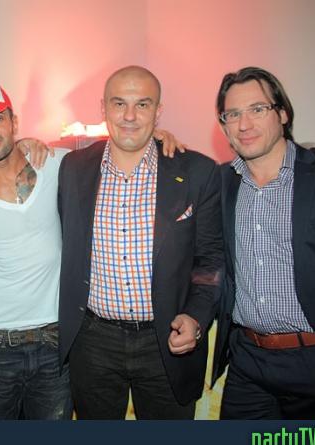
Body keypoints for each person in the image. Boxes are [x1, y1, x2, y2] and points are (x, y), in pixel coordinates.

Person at [57, 66, 223, 419]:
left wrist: (196, 316)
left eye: (142, 105)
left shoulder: (197, 171)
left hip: (166, 340)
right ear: (103, 108)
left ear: (158, 111)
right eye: (119, 103)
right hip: (93, 341)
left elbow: (210, 261)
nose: (130, 116)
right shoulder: (72, 168)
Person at [211, 66, 315, 419]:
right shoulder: (220, 183)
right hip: (247, 361)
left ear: (283, 113)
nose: (244, 124)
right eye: (232, 114)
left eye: (257, 109)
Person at [0, 81, 72, 419]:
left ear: (14, 122)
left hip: (55, 337)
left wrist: (158, 138)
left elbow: (114, 155)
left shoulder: (56, 164)